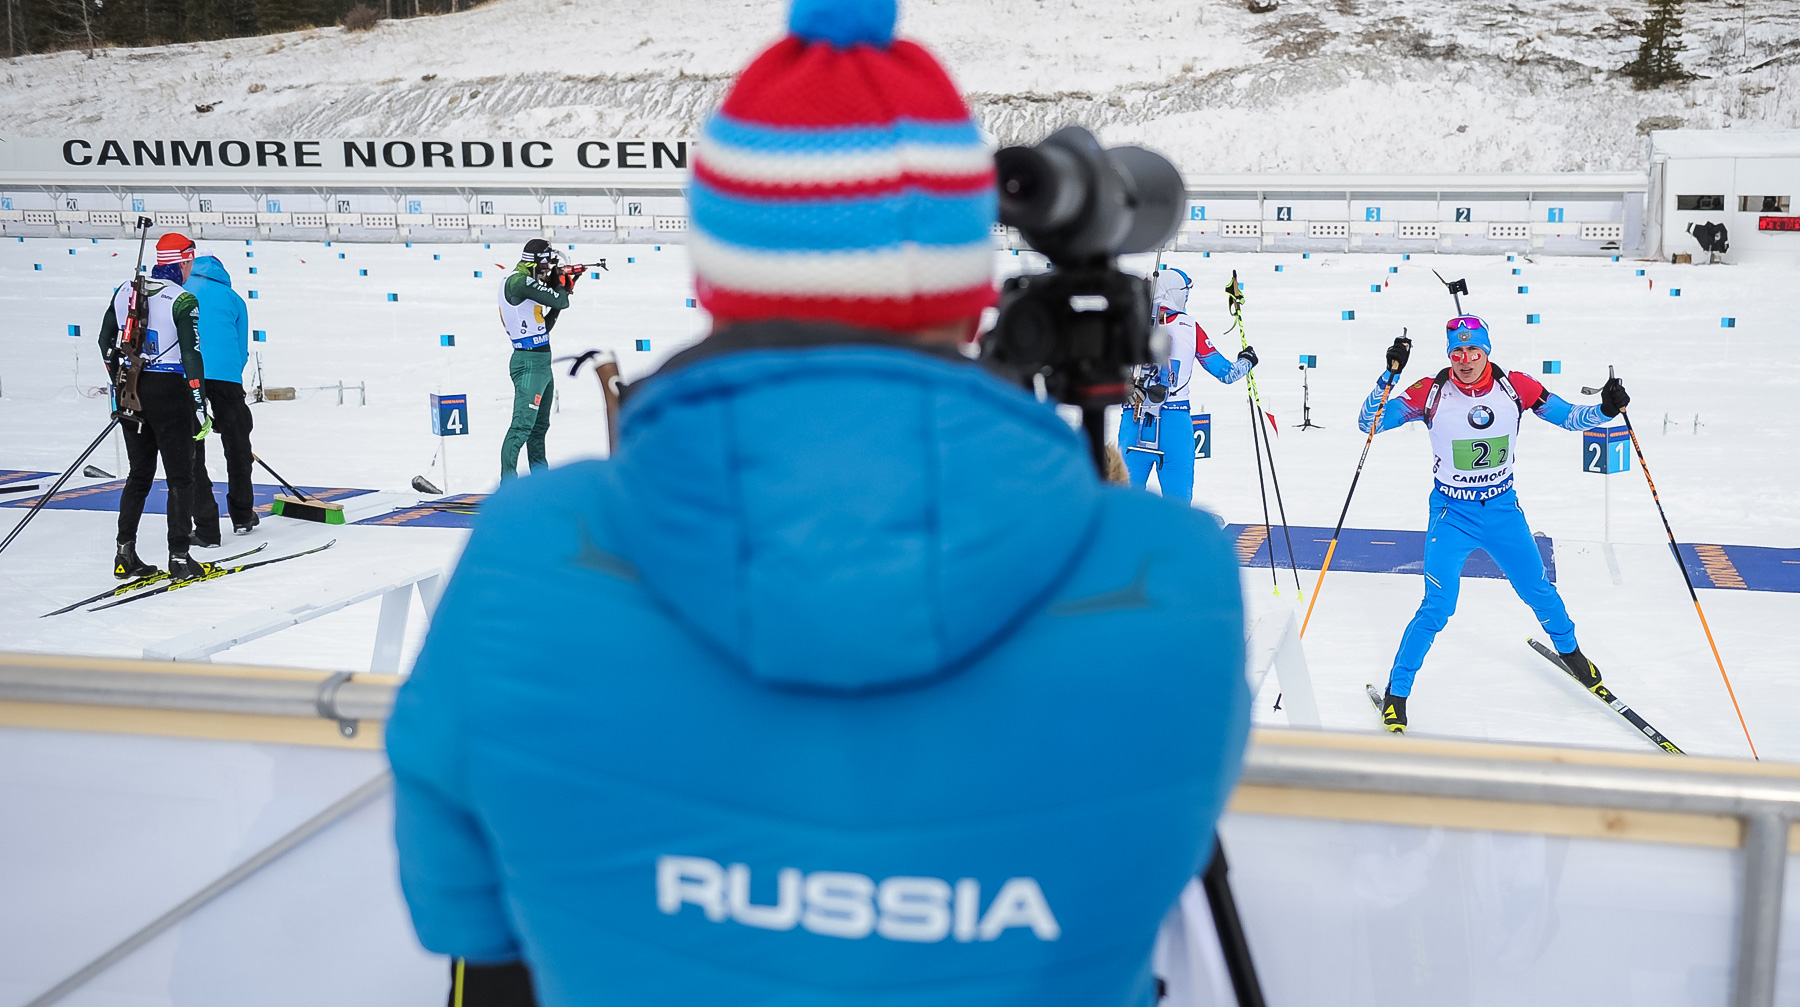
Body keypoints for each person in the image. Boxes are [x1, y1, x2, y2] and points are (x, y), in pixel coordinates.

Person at [385, 1, 1251, 1004]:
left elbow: (464, 918)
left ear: (717, 273)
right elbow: (1145, 879)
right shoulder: (1164, 573)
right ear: (969, 285)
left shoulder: (528, 552)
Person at [1359, 316, 1630, 732]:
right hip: (1452, 515)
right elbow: (1370, 422)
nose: (1465, 360)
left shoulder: (1514, 386)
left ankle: (1572, 653)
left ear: (1487, 351)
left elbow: (1570, 417)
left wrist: (1606, 409)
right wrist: (1388, 375)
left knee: (1538, 589)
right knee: (1437, 606)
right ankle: (1397, 695)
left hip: (1503, 511)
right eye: (1457, 352)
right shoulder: (1430, 392)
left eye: (1474, 351)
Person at [98, 232, 210, 580]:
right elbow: (191, 355)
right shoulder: (183, 299)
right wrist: (199, 403)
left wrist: (119, 376)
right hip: (170, 390)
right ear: (185, 261)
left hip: (131, 387)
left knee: (139, 474)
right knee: (180, 476)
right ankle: (179, 557)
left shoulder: (125, 290)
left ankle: (124, 553)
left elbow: (105, 340)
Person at [1116, 267, 1255, 503]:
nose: (1187, 298)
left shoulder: (1129, 324)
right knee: (1179, 507)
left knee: (1120, 507)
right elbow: (1227, 374)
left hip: (1134, 421)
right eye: (1185, 292)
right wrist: (1247, 361)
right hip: (1175, 423)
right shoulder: (1189, 327)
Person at [185, 253, 259, 542]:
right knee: (238, 447)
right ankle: (242, 515)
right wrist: (230, 380)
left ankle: (206, 526)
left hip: (189, 375)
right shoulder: (234, 298)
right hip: (228, 378)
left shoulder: (182, 293)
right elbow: (242, 348)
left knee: (194, 451)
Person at [498, 238, 578, 480]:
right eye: (546, 263)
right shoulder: (519, 282)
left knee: (539, 429)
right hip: (529, 363)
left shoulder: (528, 282)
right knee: (521, 428)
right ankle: (508, 487)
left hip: (542, 362)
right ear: (535, 261)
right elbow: (561, 299)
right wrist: (561, 286)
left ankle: (541, 484)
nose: (548, 268)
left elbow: (545, 326)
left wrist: (563, 286)